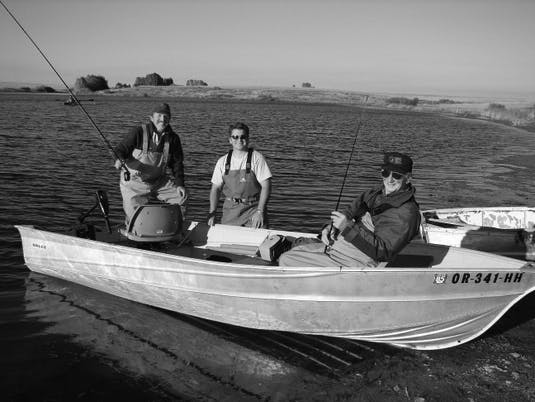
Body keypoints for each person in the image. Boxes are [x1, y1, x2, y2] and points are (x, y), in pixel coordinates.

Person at [279, 152, 421, 267]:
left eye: (397, 175)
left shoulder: (406, 213)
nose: (389, 180)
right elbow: (349, 211)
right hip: (340, 246)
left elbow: (383, 251)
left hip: (357, 261)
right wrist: (331, 227)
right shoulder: (376, 193)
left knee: (286, 260)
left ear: (408, 178)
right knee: (293, 247)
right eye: (385, 173)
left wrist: (347, 227)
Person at [113, 103, 187, 224]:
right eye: (159, 115)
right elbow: (119, 150)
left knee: (181, 198)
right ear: (151, 117)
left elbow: (177, 164)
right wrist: (118, 159)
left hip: (159, 181)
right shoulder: (138, 132)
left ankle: (176, 230)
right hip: (134, 182)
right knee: (135, 217)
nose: (163, 119)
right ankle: (133, 238)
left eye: (166, 116)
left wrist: (180, 184)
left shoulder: (173, 138)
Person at [208, 122, 272, 228]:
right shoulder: (222, 162)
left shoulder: (257, 158)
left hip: (253, 210)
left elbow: (266, 186)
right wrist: (212, 213)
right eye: (235, 137)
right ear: (230, 140)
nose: (239, 140)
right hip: (230, 212)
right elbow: (215, 189)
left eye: (243, 137)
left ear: (248, 138)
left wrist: (260, 212)